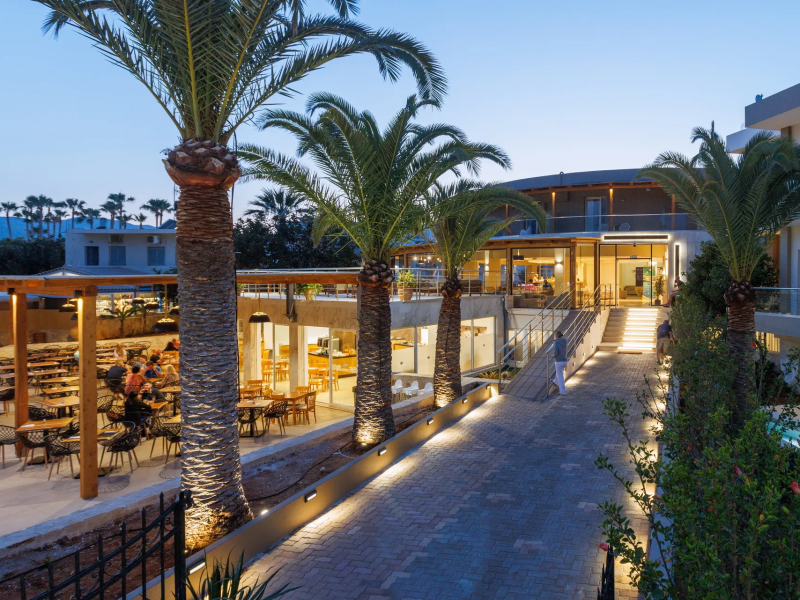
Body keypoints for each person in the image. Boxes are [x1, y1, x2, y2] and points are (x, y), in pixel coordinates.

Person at [549, 330, 568, 396]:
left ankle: (563, 392)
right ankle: (555, 382)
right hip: (565, 360)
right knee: (559, 373)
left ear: (556, 336)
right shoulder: (564, 341)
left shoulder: (556, 342)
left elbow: (556, 352)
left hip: (559, 361)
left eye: (554, 335)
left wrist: (553, 356)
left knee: (560, 376)